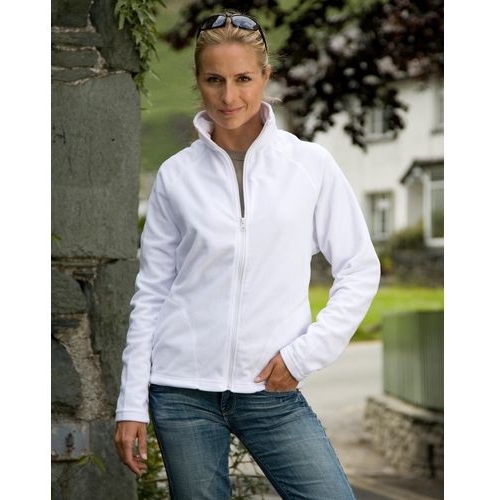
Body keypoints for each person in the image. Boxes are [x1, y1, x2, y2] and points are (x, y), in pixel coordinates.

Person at [114, 10, 380, 500]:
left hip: (270, 389)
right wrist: (131, 404)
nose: (228, 97)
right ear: (198, 81)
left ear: (265, 77)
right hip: (181, 392)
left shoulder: (310, 165)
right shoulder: (176, 175)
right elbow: (151, 292)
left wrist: (304, 355)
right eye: (214, 80)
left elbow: (359, 269)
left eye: (242, 79)